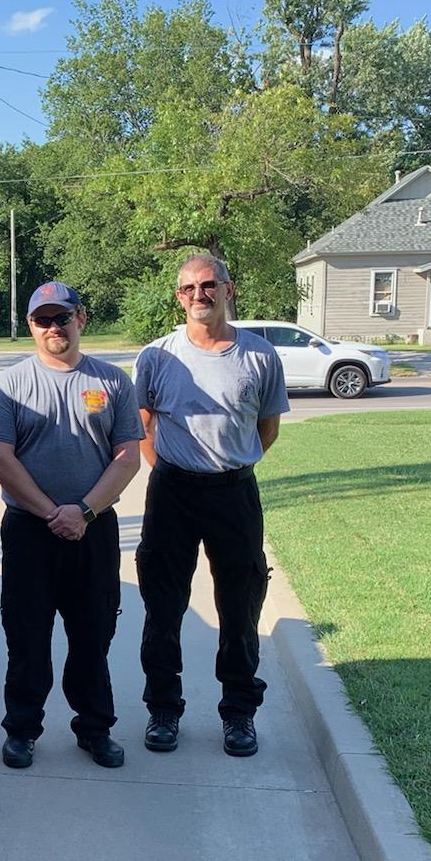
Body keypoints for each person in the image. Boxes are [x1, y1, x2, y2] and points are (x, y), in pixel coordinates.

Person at [134, 253, 288, 758]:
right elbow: (144, 426)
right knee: (163, 607)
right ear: (179, 297)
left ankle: (239, 713)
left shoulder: (260, 356)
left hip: (234, 494)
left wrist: (229, 465)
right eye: (188, 288)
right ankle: (163, 709)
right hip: (172, 494)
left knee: (240, 607)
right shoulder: (157, 356)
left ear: (228, 289)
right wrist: (169, 469)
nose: (199, 295)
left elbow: (267, 430)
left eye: (208, 285)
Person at [0, 282, 143, 770]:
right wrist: (53, 513)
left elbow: (127, 458)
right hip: (30, 531)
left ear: (82, 319)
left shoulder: (114, 381)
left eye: (63, 317)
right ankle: (21, 730)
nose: (54, 327)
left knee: (93, 636)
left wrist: (84, 512)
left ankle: (95, 729)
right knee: (27, 637)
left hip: (94, 530)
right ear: (31, 326)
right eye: (43, 319)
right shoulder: (9, 385)